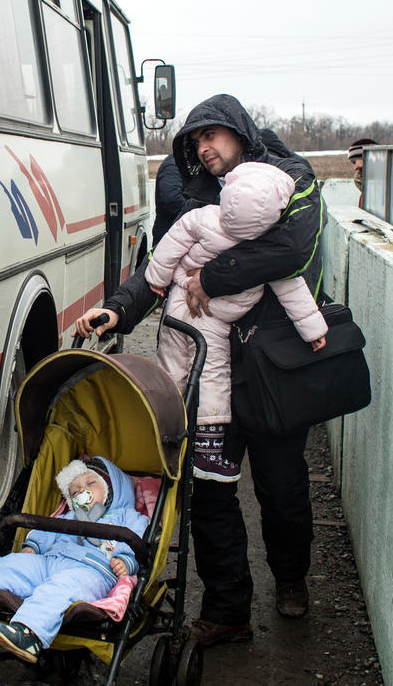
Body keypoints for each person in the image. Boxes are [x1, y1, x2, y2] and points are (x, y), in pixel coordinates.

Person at [74, 93, 326, 647]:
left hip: (275, 367)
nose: (203, 147)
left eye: (212, 134)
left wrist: (213, 278)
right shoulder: (197, 200)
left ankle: (291, 578)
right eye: (194, 141)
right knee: (210, 493)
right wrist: (118, 306)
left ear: (239, 131)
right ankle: (227, 609)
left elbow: (292, 252)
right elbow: (160, 265)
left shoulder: (293, 179)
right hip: (208, 369)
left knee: (282, 487)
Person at [146, 161, 327, 482]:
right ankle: (206, 451)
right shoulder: (266, 246)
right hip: (214, 321)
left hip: (178, 307)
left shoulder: (202, 217)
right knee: (212, 378)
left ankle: (158, 437)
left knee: (169, 370)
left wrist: (156, 279)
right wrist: (314, 330)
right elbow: (293, 288)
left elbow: (169, 246)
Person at [0, 456, 147, 663]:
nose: (82, 491)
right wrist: (32, 547)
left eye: (91, 483)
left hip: (92, 572)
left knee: (58, 589)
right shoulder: (69, 517)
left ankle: (29, 632)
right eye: (75, 491)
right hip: (50, 561)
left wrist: (126, 559)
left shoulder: (126, 516)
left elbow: (137, 538)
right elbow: (45, 531)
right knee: (10, 565)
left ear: (112, 490)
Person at [151, 153, 186, 247]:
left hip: (178, 237)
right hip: (169, 237)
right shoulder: (173, 165)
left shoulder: (187, 164)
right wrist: (199, 216)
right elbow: (171, 200)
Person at [347, 137, 375, 208]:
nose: (355, 168)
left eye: (356, 161)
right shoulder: (365, 193)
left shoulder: (378, 192)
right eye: (354, 162)